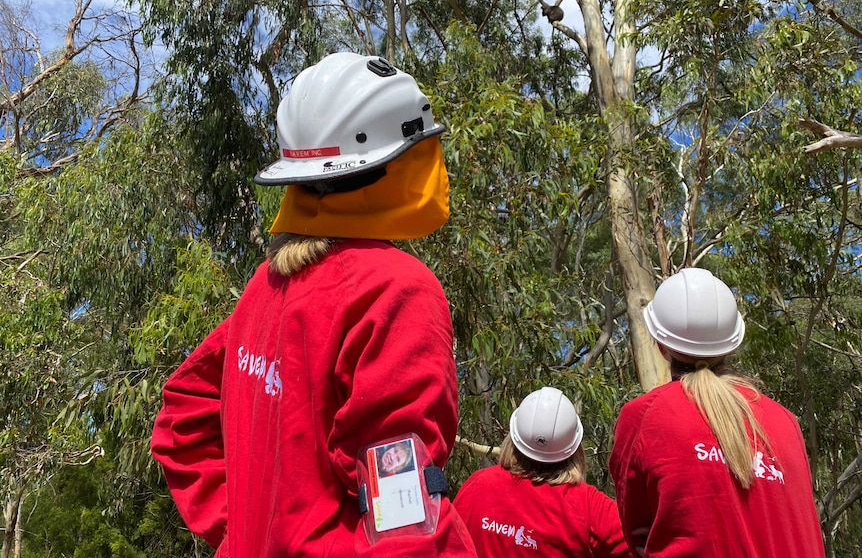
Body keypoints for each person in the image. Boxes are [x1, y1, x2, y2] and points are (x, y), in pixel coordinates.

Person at [151, 52, 477, 557]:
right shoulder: (397, 291)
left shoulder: (267, 286)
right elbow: (405, 522)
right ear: (402, 163)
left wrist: (244, 533)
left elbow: (183, 419)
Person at [609, 268, 826, 557]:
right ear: (732, 343)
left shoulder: (644, 416)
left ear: (661, 345)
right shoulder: (785, 421)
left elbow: (638, 536)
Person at [453, 387, 633, 557]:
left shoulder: (478, 484)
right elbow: (650, 545)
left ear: (513, 439)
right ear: (574, 447)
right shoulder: (590, 506)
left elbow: (449, 542)